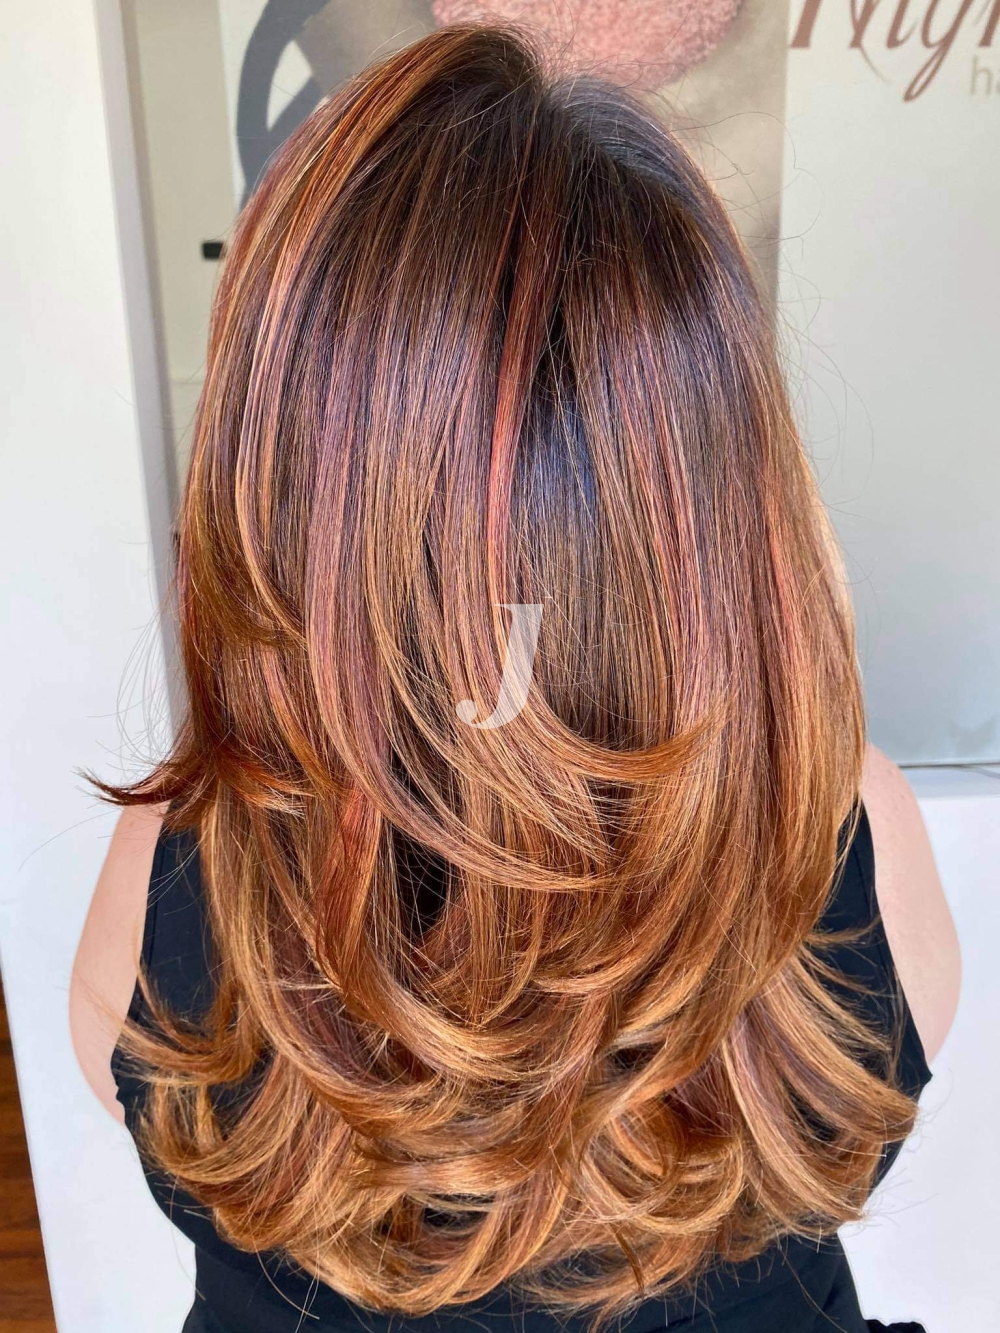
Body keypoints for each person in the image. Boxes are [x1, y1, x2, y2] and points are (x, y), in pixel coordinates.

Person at [70, 22, 960, 1333]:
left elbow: (125, 1074)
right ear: (720, 486)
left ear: (285, 481)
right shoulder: (845, 826)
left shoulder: (181, 859)